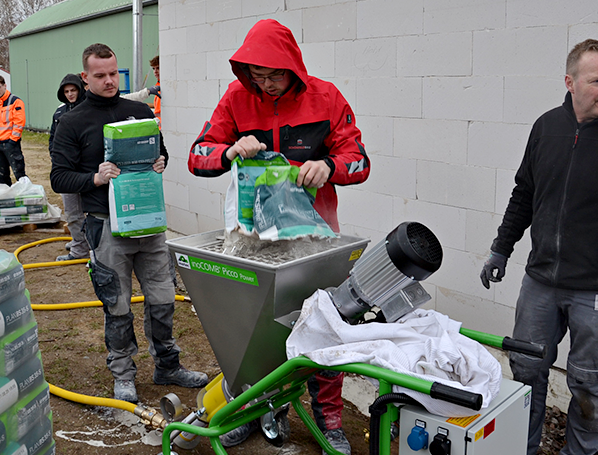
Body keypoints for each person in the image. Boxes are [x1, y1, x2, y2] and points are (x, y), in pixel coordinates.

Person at [187, 19, 370, 455]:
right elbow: (198, 154)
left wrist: (329, 166)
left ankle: (328, 420)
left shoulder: (326, 98)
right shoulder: (237, 98)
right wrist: (230, 151)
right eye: (257, 76)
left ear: (293, 69)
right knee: (255, 332)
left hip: (312, 237)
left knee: (324, 327)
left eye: (274, 76)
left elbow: (359, 160)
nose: (265, 84)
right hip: (255, 240)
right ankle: (257, 408)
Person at [479, 39, 598, 455]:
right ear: (570, 82)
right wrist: (501, 248)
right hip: (541, 282)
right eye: (597, 81)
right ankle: (520, 446)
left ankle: (582, 452)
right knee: (526, 367)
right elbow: (524, 194)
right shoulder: (547, 127)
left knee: (587, 378)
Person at [50, 43, 209, 402]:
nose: (109, 81)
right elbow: (59, 177)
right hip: (106, 226)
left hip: (148, 223)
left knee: (163, 298)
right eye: (100, 75)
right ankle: (123, 373)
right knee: (117, 303)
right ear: (85, 77)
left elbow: (161, 151)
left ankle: (167, 365)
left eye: (113, 73)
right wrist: (95, 178)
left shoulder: (138, 112)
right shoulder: (72, 122)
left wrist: (161, 162)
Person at [49, 73, 89, 262]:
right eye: (66, 91)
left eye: (73, 90)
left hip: (88, 171)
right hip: (67, 171)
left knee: (93, 212)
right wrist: (56, 159)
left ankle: (88, 244)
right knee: (72, 212)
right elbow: (53, 138)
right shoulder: (59, 113)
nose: (70, 94)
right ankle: (79, 247)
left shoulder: (89, 109)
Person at [0, 75, 26, 185]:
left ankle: (25, 193)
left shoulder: (16, 102)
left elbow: (19, 123)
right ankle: (6, 194)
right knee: (1, 177)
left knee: (19, 174)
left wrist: (12, 141)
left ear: (5, 86)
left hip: (11, 144)